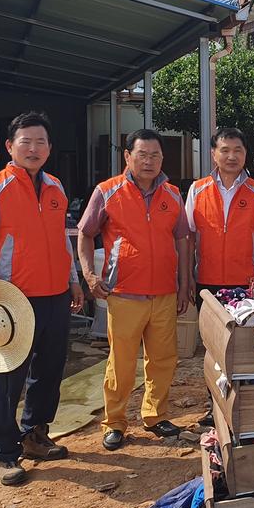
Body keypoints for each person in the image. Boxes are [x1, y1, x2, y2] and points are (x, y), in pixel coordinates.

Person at [0, 111, 85, 486]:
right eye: (26, 142)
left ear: (49, 148)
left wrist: (73, 281)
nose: (33, 149)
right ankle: (3, 452)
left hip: (55, 295)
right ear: (10, 146)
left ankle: (35, 434)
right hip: (13, 299)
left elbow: (62, 240)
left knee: (49, 370)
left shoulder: (56, 187)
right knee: (9, 377)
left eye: (41, 142)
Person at [78, 129, 190, 451]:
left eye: (155, 155)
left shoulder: (173, 195)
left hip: (164, 293)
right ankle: (114, 422)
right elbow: (85, 234)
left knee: (163, 359)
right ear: (127, 156)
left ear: (162, 159)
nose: (149, 161)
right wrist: (89, 275)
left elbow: (182, 240)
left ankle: (155, 415)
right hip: (124, 293)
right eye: (142, 154)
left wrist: (184, 284)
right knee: (122, 363)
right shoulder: (107, 191)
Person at [185, 127, 254, 300]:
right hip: (206, 281)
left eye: (238, 150)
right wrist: (188, 276)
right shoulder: (197, 189)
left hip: (246, 282)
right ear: (213, 154)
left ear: (245, 154)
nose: (232, 156)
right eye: (225, 150)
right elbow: (189, 237)